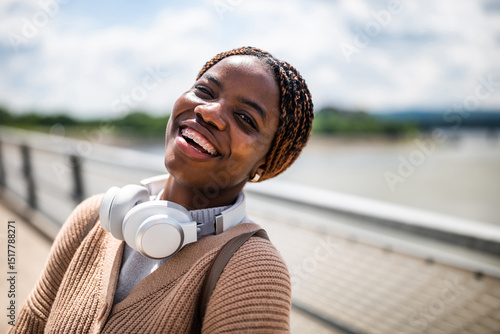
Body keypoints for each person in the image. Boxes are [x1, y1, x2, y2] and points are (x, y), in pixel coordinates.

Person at [10, 46, 314, 333]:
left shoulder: (253, 271)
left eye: (245, 118)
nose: (208, 112)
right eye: (204, 91)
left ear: (266, 162)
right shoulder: (92, 217)